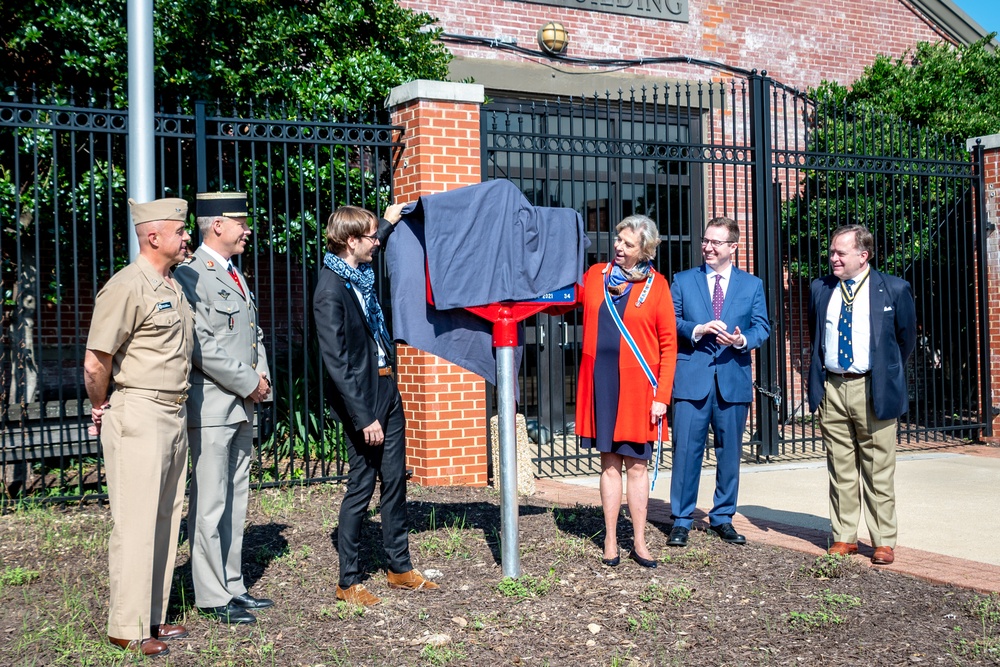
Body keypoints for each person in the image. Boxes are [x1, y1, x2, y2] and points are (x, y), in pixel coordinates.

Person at [83, 197, 194, 658]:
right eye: (180, 231)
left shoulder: (173, 283)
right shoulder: (127, 286)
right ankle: (125, 627)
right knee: (135, 522)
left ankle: (152, 615)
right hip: (140, 411)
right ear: (153, 237)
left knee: (166, 518)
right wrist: (101, 404)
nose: (187, 236)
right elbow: (96, 362)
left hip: (173, 412)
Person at [313, 204, 440, 605]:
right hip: (363, 401)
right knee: (361, 486)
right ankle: (347, 581)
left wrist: (387, 218)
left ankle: (399, 568)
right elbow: (336, 362)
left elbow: (377, 236)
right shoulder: (330, 289)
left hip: (387, 389)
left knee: (396, 479)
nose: (377, 243)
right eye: (370, 238)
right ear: (351, 242)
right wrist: (364, 415)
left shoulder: (359, 273)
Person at [175, 192, 273, 625]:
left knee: (236, 498)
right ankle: (212, 596)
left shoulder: (232, 272)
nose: (247, 230)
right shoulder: (191, 274)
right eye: (240, 223)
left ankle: (233, 585)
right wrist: (250, 381)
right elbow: (201, 345)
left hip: (241, 403)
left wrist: (261, 378)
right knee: (210, 503)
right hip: (214, 404)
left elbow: (253, 335)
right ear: (217, 225)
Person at [808, 224, 916, 565]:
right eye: (832, 252)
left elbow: (904, 341)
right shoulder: (821, 289)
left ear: (863, 255)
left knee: (878, 468)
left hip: (874, 388)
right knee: (840, 468)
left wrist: (885, 373)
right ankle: (844, 537)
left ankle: (883, 540)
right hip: (833, 387)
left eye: (841, 252)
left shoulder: (894, 289)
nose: (833, 258)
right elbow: (816, 336)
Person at [575, 214, 677, 568]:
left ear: (644, 249)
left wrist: (662, 396)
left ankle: (639, 539)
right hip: (601, 380)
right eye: (618, 240)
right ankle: (609, 538)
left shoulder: (658, 286)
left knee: (636, 465)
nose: (619, 247)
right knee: (608, 464)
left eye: (628, 244)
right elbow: (565, 301)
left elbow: (668, 345)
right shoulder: (594, 276)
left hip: (638, 385)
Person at [667, 217, 770, 547]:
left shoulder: (752, 285)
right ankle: (681, 519)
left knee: (730, 453)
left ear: (733, 248)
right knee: (685, 451)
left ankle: (722, 517)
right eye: (705, 240)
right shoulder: (683, 281)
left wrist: (741, 340)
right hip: (691, 379)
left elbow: (762, 328)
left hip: (732, 379)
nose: (707, 247)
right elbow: (672, 323)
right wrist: (698, 330)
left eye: (716, 242)